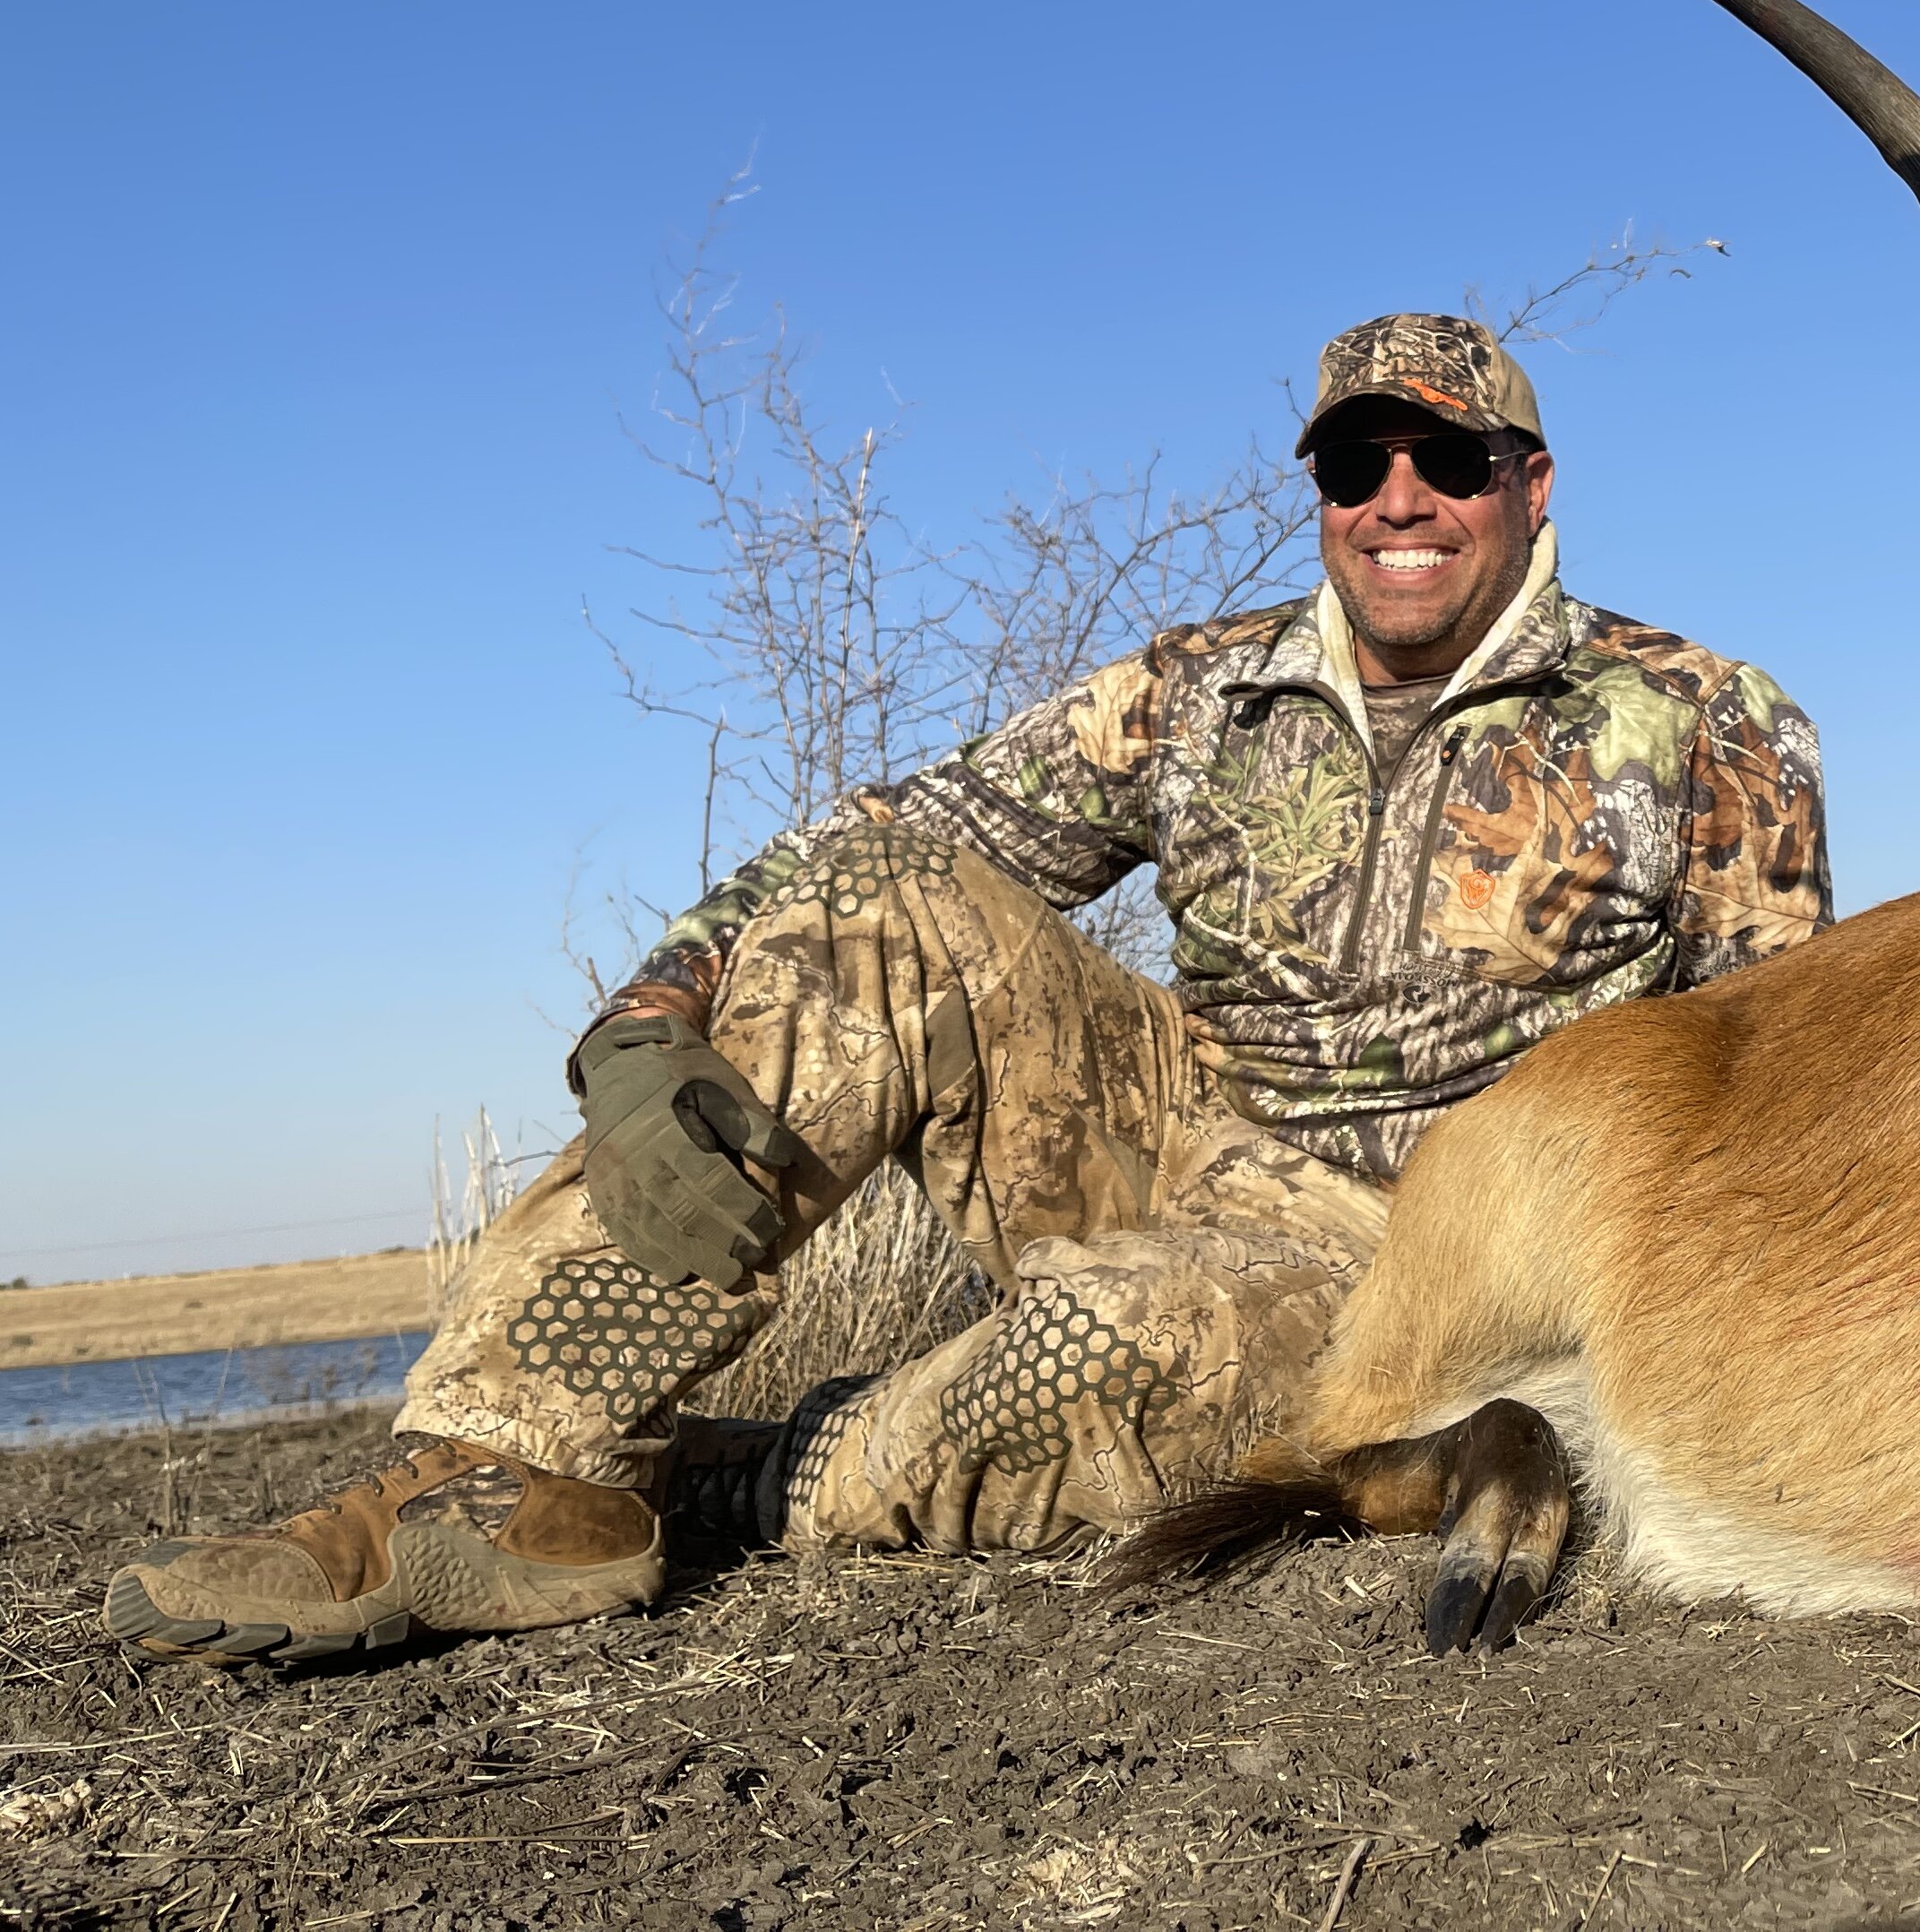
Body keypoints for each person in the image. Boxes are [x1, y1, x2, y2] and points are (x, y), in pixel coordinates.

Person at [109, 314, 1830, 1663]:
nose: (1399, 495)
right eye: (1354, 461)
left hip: (1431, 1259)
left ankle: (751, 1473)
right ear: (1318, 491)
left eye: (1447, 454)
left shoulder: (1701, 716)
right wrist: (649, 1006)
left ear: (1532, 480)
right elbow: (889, 833)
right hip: (1178, 1139)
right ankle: (498, 1462)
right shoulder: (1193, 688)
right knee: (879, 902)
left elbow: (1776, 1079)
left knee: (1111, 1338)